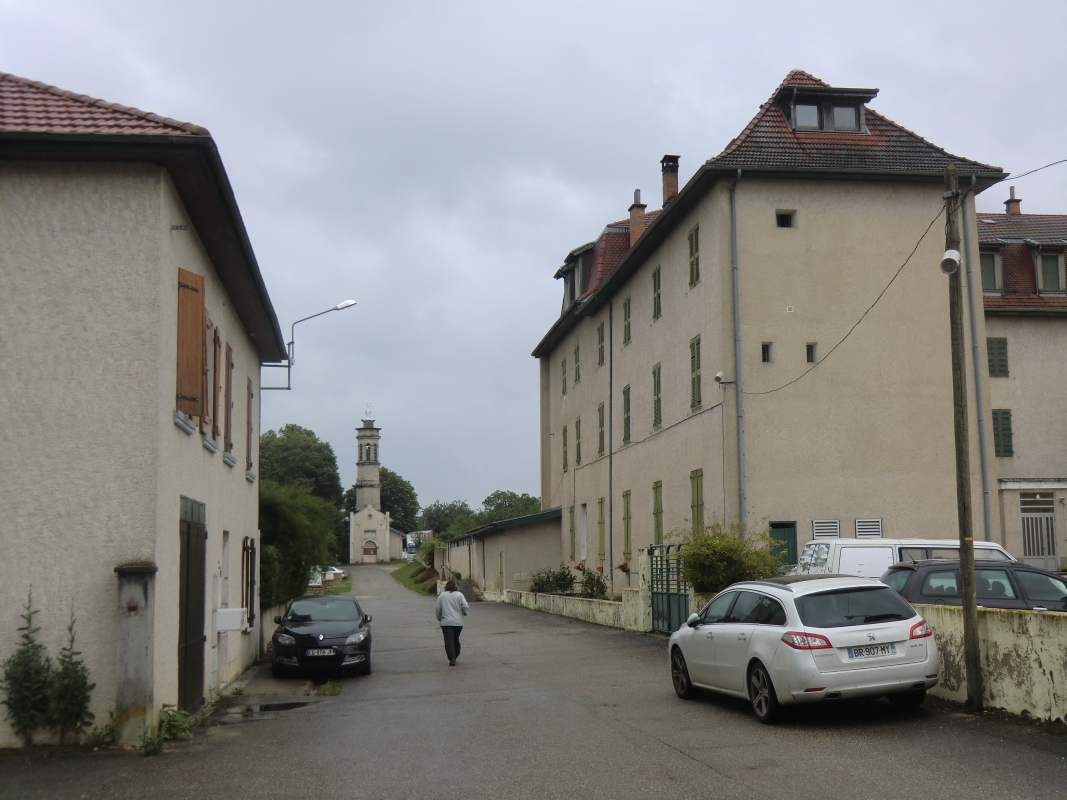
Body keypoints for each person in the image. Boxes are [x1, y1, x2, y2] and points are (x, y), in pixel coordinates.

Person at [435, 579, 469, 666]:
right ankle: (456, 654)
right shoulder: (459, 595)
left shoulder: (442, 596)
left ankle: (452, 657)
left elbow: (438, 608)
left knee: (448, 640)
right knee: (456, 638)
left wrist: (439, 618)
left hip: (446, 622)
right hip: (458, 622)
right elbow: (465, 606)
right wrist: (465, 613)